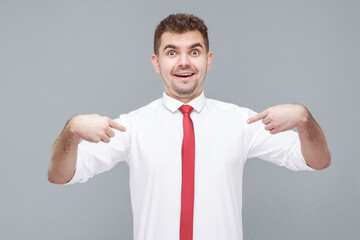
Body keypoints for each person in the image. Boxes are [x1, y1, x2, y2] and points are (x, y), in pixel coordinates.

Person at [48, 13, 331, 240]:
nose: (184, 62)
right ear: (156, 63)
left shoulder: (242, 123)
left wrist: (305, 120)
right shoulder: (130, 128)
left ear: (208, 60)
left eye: (194, 52)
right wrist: (71, 131)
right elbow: (60, 175)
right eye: (172, 53)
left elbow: (316, 161)